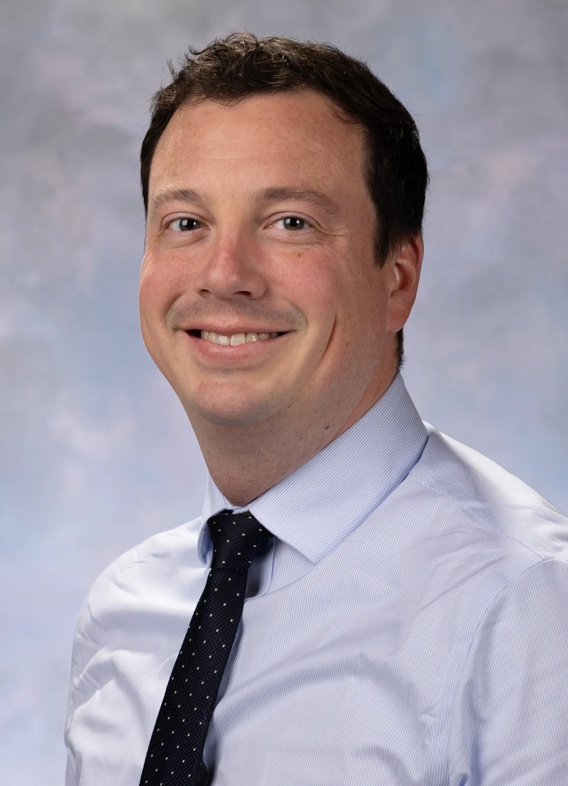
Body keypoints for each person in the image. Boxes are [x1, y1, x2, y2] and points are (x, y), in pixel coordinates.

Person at [64, 33, 568, 785]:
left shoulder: (527, 607)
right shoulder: (123, 612)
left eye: (290, 222)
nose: (224, 273)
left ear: (397, 277)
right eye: (185, 223)